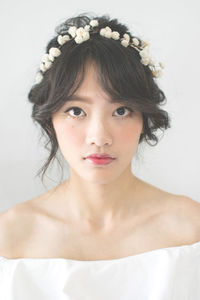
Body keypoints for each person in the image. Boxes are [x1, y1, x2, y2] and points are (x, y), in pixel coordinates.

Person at [0, 12, 200, 299]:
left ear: (144, 118)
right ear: (50, 120)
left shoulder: (191, 232)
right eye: (76, 111)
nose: (99, 137)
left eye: (120, 111)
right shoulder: (9, 239)